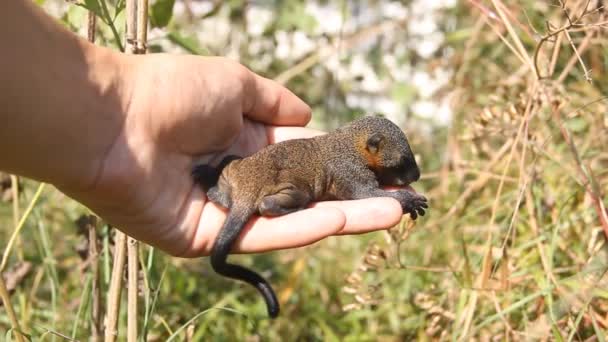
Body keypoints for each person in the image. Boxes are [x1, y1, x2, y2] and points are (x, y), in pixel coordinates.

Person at [0, 0, 407, 257]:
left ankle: (218, 187)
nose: (404, 171)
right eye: (399, 164)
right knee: (285, 188)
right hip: (267, 190)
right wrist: (405, 194)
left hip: (239, 179)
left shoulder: (340, 145)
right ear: (369, 147)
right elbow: (362, 192)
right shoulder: (346, 157)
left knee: (237, 166)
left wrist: (120, 110)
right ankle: (256, 201)